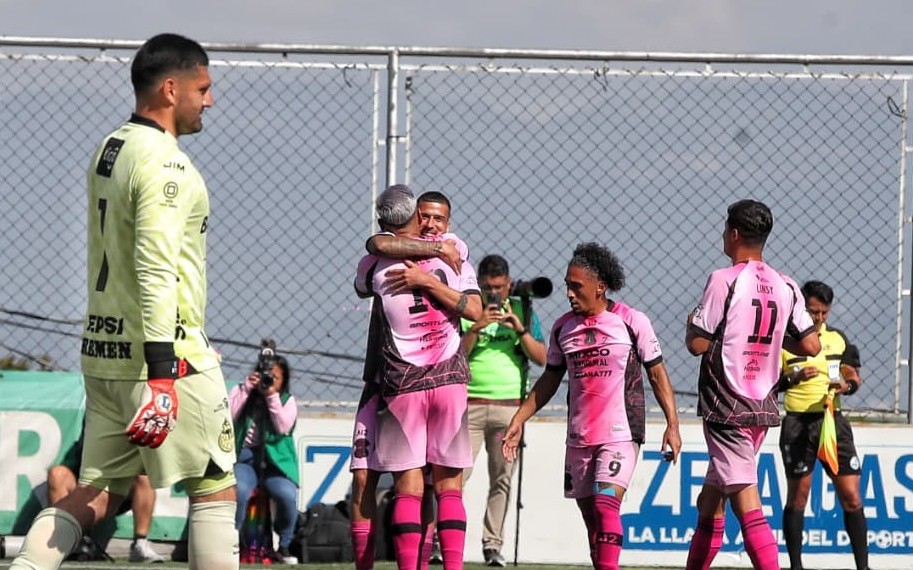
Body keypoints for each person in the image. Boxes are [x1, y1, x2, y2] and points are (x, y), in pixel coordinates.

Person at [11, 33, 239, 570]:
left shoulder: (109, 146)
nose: (210, 99)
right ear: (169, 88)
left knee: (96, 492)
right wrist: (163, 373)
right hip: (166, 356)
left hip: (104, 354)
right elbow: (155, 267)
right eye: (203, 88)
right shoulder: (168, 166)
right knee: (214, 486)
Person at [501, 243, 683, 570]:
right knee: (592, 522)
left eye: (576, 286)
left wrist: (673, 424)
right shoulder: (562, 328)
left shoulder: (630, 320)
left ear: (600, 286)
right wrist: (518, 419)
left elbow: (656, 373)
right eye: (568, 286)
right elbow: (549, 380)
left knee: (605, 505)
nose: (569, 293)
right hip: (579, 436)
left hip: (620, 432)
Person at [684, 199, 820, 570]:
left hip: (725, 402)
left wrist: (691, 323)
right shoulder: (786, 284)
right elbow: (811, 345)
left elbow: (697, 343)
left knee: (746, 501)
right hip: (763, 403)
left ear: (733, 234)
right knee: (710, 501)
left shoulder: (722, 279)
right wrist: (772, 337)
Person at [354, 184, 482, 570]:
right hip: (445, 382)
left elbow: (373, 254)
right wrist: (435, 256)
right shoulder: (453, 256)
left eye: (437, 219)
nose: (430, 224)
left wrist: (425, 279)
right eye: (423, 216)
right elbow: (474, 308)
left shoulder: (375, 265)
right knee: (447, 487)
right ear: (414, 216)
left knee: (410, 488)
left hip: (403, 384)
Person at [459, 254, 547, 567]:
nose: (494, 294)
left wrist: (520, 329)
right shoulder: (468, 308)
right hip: (468, 405)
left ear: (509, 284)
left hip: (510, 407)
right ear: (478, 286)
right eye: (487, 288)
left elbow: (541, 358)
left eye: (499, 287)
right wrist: (477, 326)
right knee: (455, 476)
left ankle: (492, 544)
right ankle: (443, 542)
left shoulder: (523, 307)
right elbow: (455, 355)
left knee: (502, 478)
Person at [778, 281, 868, 570]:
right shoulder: (783, 340)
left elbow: (851, 372)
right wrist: (794, 377)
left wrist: (847, 385)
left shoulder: (837, 339)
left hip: (832, 421)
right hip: (797, 422)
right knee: (798, 496)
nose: (817, 318)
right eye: (812, 311)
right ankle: (796, 565)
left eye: (823, 313)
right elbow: (771, 381)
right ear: (801, 309)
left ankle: (863, 566)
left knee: (852, 497)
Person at [47, 428, 164, 563]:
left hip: (121, 492)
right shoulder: (95, 423)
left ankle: (140, 543)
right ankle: (71, 542)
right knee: (57, 474)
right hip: (85, 490)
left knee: (144, 475)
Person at [229, 352, 300, 565]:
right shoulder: (242, 391)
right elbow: (229, 414)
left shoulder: (288, 401)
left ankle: (285, 544)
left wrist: (271, 397)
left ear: (283, 381)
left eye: (275, 378)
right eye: (265, 376)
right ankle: (232, 542)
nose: (269, 381)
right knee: (239, 491)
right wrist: (247, 388)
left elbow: (282, 427)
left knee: (286, 495)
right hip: (245, 458)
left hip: (275, 462)